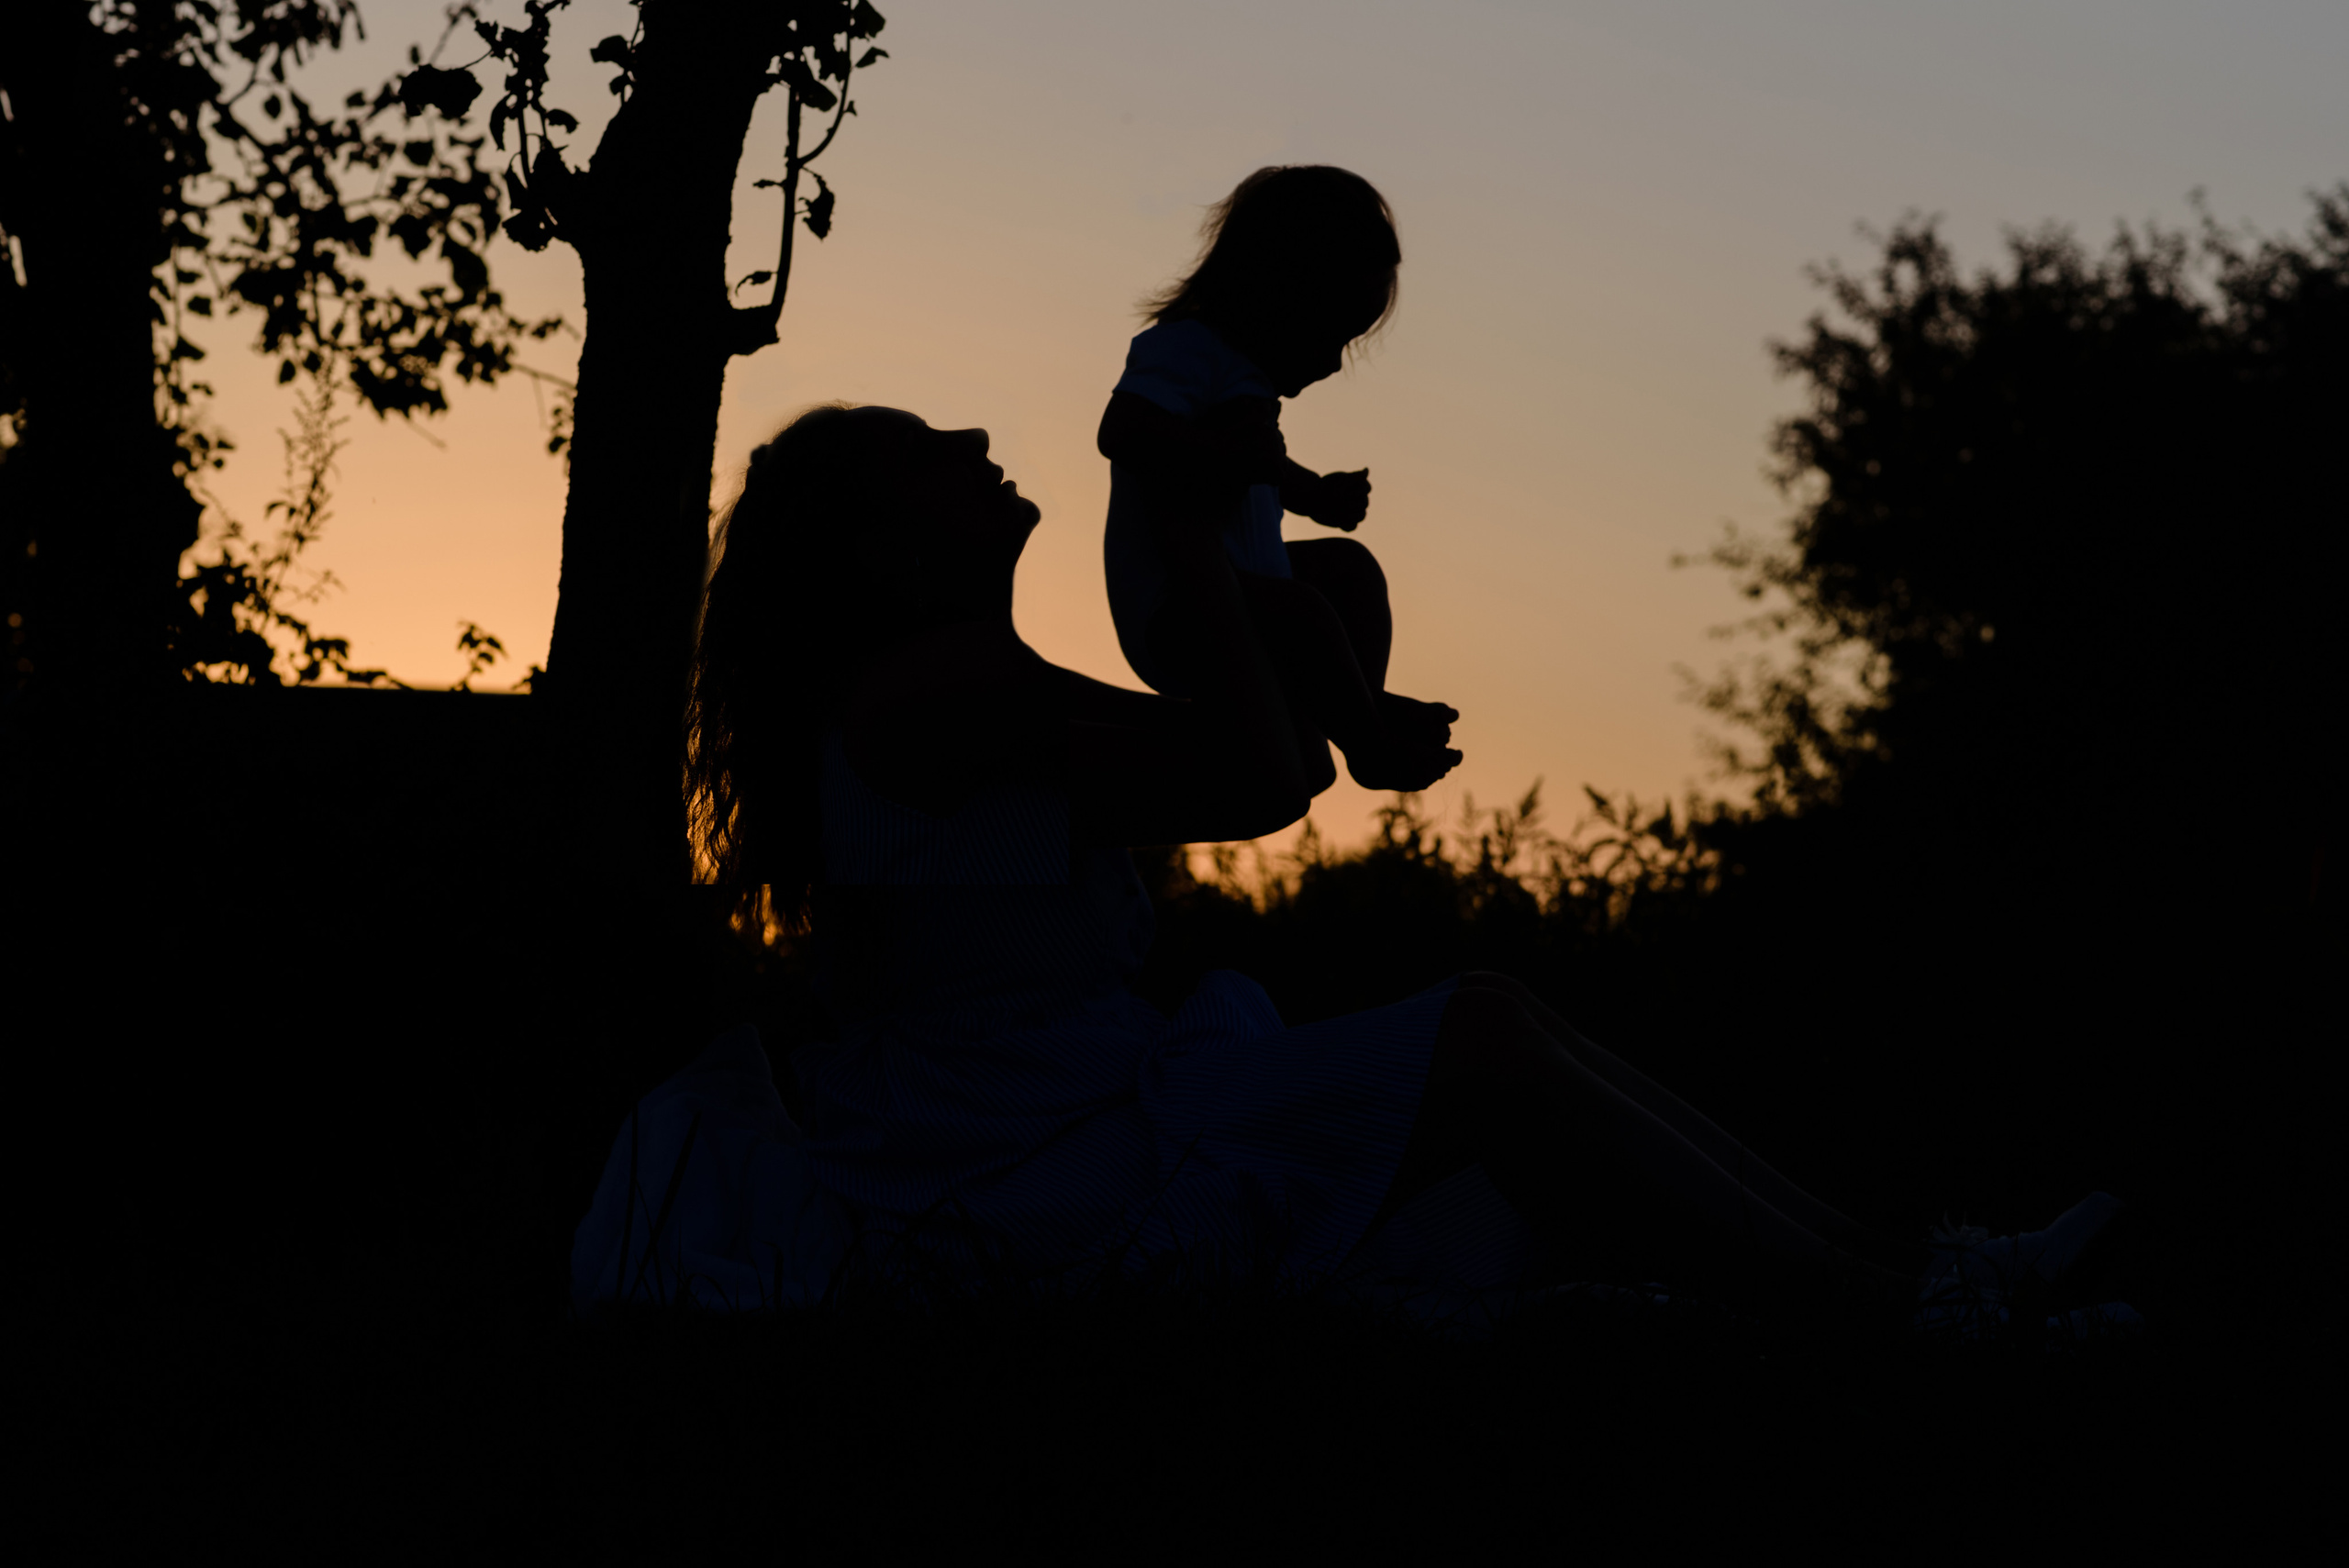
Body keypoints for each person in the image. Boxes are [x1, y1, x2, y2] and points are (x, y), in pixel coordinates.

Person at [675, 399, 2136, 1340]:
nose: (974, 438)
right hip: (1021, 1165)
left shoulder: (966, 675)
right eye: (929, 450)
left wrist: (1312, 633)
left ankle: (1919, 1272)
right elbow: (1261, 777)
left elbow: (1266, 759)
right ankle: (1905, 1305)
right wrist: (1209, 566)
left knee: (1489, 1018)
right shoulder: (933, 689)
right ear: (877, 544)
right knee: (1483, 1034)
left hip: (1057, 1120)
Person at [1098, 164, 1461, 795]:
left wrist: (1313, 493)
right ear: (1273, 294)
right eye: (1331, 334)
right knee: (1301, 609)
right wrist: (1221, 451)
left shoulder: (1245, 384)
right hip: (1177, 613)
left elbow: (1258, 466)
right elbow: (1122, 431)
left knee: (1347, 569)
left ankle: (1357, 701)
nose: (1332, 362)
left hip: (1246, 594)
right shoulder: (1184, 349)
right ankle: (1369, 742)